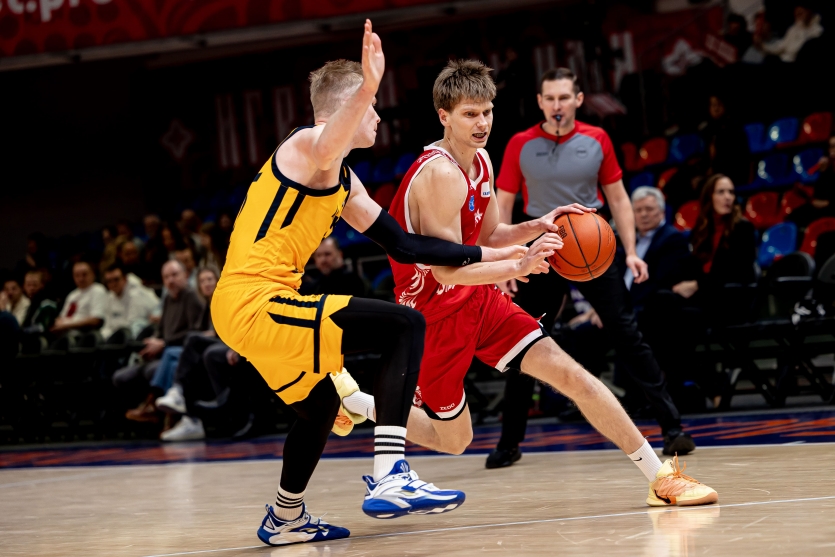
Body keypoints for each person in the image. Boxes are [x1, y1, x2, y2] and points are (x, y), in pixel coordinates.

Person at [339, 60, 716, 508]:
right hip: (434, 315)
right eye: (469, 114)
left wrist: (540, 223)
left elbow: (490, 235)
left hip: (479, 300)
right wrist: (518, 266)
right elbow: (447, 270)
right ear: (444, 116)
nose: (482, 123)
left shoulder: (481, 159)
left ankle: (660, 477)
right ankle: (360, 403)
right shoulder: (440, 174)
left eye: (487, 112)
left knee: (573, 375)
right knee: (455, 440)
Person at [210, 21, 524, 547]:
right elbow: (328, 139)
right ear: (349, 107)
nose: (377, 116)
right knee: (405, 324)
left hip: (261, 307)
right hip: (252, 301)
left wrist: (499, 255)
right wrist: (369, 84)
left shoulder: (343, 181)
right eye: (372, 106)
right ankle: (390, 473)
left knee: (319, 407)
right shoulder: (306, 147)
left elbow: (406, 246)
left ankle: (285, 518)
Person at [484, 67, 695, 469]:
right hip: (543, 247)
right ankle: (509, 442)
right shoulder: (520, 144)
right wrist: (509, 261)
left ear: (578, 100)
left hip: (592, 244)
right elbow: (503, 202)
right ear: (540, 102)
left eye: (564, 97)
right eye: (550, 98)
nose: (557, 105)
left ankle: (672, 428)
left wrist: (631, 252)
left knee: (627, 334)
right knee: (523, 340)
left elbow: (618, 198)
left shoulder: (597, 138)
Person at [113, 260, 205, 420]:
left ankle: (152, 404)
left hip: (183, 353)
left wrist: (163, 344)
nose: (171, 280)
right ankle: (147, 410)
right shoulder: (168, 299)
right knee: (120, 376)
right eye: (166, 277)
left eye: (175, 275)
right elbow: (160, 331)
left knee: (158, 367)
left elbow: (194, 334)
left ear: (185, 275)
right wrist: (152, 344)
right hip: (165, 352)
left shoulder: (191, 296)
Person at [672, 174, 757, 303]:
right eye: (721, 192)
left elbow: (737, 271)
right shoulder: (701, 229)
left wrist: (697, 285)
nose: (727, 197)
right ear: (709, 197)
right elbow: (693, 265)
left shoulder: (743, 228)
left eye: (731, 192)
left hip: (728, 295)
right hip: (704, 292)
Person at [625, 187, 690, 311]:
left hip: (645, 310)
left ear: (662, 212)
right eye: (638, 210)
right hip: (618, 307)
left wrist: (621, 310)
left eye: (649, 209)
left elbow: (660, 284)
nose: (643, 214)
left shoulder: (673, 239)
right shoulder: (628, 240)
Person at [100, 262, 160, 341]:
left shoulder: (137, 294)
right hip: (119, 336)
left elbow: (133, 326)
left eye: (116, 279)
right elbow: (107, 326)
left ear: (125, 279)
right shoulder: (110, 297)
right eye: (109, 281)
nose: (113, 284)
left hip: (145, 334)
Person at [52, 261, 108, 335]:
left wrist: (67, 325)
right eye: (77, 275)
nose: (81, 279)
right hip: (66, 334)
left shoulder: (98, 290)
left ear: (93, 274)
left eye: (84, 274)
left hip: (85, 335)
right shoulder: (72, 295)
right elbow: (62, 317)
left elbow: (96, 320)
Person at [756, 2, 823, 62]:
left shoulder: (817, 31)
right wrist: (762, 46)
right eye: (796, 13)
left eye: (801, 13)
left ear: (809, 11)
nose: (798, 15)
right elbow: (781, 47)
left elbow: (798, 51)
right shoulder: (793, 28)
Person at [299, 237, 367, 297]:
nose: (323, 260)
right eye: (318, 255)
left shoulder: (353, 282)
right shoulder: (313, 287)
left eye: (327, 254)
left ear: (340, 255)